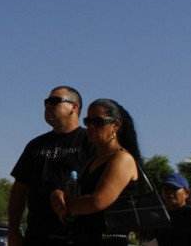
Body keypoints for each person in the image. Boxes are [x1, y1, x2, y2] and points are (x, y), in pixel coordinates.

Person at [8, 86, 94, 246]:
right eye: (46, 102)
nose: (48, 106)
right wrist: (12, 230)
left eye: (54, 101)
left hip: (76, 236)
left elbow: (101, 189)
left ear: (74, 107)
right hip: (36, 236)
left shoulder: (89, 142)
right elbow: (18, 191)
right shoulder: (35, 145)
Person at [50, 98, 142, 245]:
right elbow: (79, 195)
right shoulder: (93, 161)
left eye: (98, 122)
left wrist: (65, 205)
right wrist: (58, 194)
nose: (91, 126)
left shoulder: (122, 159)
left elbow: (97, 201)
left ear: (115, 125)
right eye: (87, 121)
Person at [154, 173, 191, 246]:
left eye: (174, 188)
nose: (169, 192)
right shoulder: (160, 216)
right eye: (166, 189)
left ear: (186, 193)